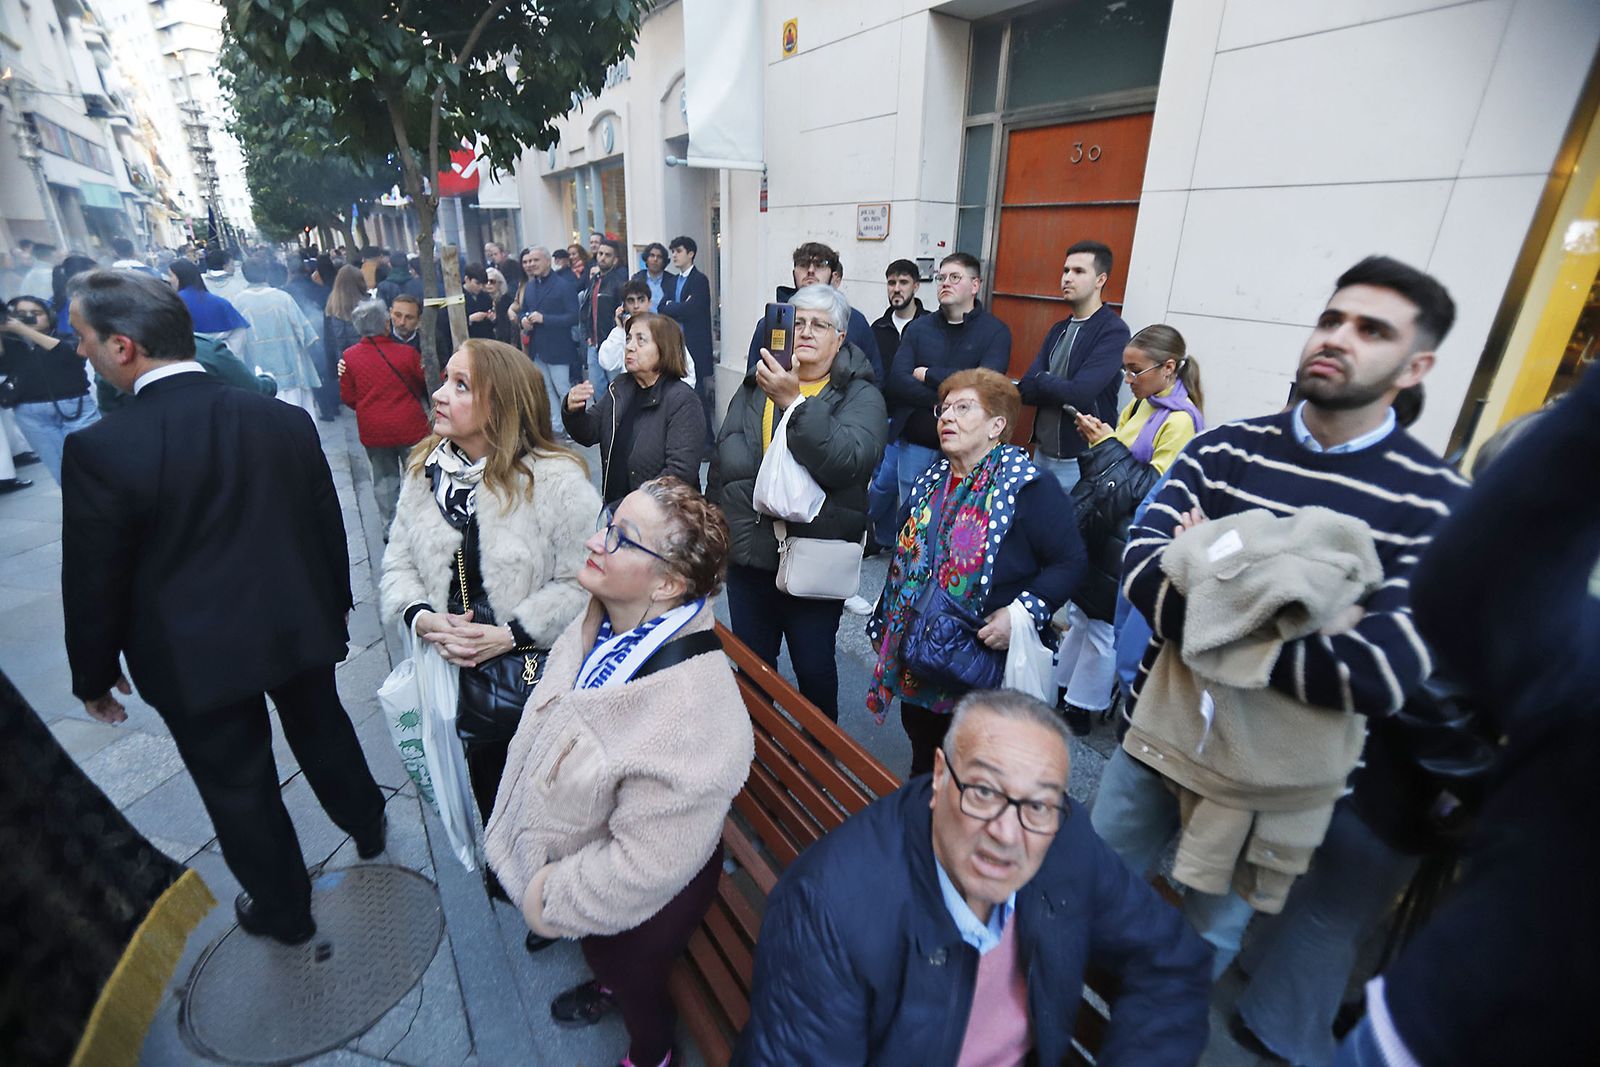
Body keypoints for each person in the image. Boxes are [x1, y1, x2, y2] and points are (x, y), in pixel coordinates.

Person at [1096, 255, 1469, 982]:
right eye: (1332, 319)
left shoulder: (1435, 503)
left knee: (1195, 960)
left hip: (1273, 788)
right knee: (1075, 905)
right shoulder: (1223, 448)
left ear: (1415, 364)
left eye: (1371, 329)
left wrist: (1206, 564)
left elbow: (1380, 670)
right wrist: (1314, 608)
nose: (1338, 337)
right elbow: (1142, 569)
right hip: (1157, 740)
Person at [61, 269, 387, 946]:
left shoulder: (103, 448)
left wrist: (92, 672)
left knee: (238, 785)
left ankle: (284, 908)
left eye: (83, 337)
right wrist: (335, 610)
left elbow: (95, 577)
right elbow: (327, 528)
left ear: (124, 347)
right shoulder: (279, 418)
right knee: (322, 724)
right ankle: (367, 821)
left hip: (192, 654)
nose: (78, 351)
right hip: (294, 621)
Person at [1332, 365, 1598, 1067]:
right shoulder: (1500, 594)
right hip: (1404, 803)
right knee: (1338, 919)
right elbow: (1431, 693)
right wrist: (1486, 787)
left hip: (1426, 816)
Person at [736, 689, 1211, 1066]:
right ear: (940, 776)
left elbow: (1169, 960)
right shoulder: (827, 911)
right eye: (983, 791)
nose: (1007, 834)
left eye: (1039, 804)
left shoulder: (1066, 841)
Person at [485, 477, 754, 1067]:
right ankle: (610, 982)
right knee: (606, 956)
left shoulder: (692, 714)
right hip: (615, 853)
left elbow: (641, 867)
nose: (595, 541)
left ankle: (653, 1052)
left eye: (621, 538)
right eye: (608, 524)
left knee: (631, 973)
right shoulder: (605, 621)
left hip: (652, 893)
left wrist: (546, 897)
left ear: (668, 583)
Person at [379, 338, 600, 837]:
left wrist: (509, 634)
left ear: (500, 404)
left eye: (460, 386)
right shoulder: (426, 470)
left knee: (545, 814)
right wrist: (421, 616)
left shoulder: (555, 480)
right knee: (492, 804)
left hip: (533, 688)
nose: (438, 395)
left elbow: (587, 585)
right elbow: (398, 561)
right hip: (456, 683)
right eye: (444, 380)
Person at [867, 368, 1084, 775]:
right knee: (924, 755)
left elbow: (1069, 562)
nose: (946, 417)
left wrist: (1021, 612)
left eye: (963, 408)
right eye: (944, 408)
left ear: (996, 425)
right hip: (919, 657)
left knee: (971, 769)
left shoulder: (1027, 486)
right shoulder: (933, 477)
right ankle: (924, 822)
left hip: (978, 664)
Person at [708, 284, 887, 723]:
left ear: (840, 337)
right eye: (798, 321)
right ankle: (753, 756)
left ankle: (817, 758)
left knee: (813, 669)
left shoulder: (860, 396)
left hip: (813, 558)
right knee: (752, 667)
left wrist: (794, 402)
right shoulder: (756, 385)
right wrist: (713, 533)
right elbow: (725, 461)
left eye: (820, 324)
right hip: (750, 556)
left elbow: (846, 462)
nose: (805, 331)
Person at [1055, 324, 1204, 735]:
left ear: (1168, 368)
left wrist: (1107, 446)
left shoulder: (1180, 422)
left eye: (1135, 371)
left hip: (1129, 538)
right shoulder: (1141, 405)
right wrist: (1100, 441)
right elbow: (1117, 473)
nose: (1128, 380)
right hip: (1106, 528)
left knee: (1102, 625)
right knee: (1083, 615)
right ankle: (1062, 688)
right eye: (1126, 370)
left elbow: (1150, 493)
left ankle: (1082, 707)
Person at [884, 252, 1012, 512]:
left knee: (958, 516)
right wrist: (952, 400)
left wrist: (929, 374)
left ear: (975, 285)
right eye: (941, 277)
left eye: (955, 277)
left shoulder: (995, 332)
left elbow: (984, 386)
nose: (945, 283)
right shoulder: (919, 328)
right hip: (917, 443)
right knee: (911, 517)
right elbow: (897, 380)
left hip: (969, 448)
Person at [1017, 241, 1132, 495]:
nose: (1067, 278)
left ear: (1100, 279)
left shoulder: (1112, 331)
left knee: (1070, 530)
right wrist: (1050, 384)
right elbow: (1025, 389)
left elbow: (1080, 393)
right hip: (1042, 453)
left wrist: (1043, 379)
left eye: (1079, 271)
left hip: (1081, 458)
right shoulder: (1059, 329)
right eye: (1066, 270)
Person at [566, 311, 707, 508]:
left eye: (641, 341)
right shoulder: (621, 387)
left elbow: (679, 474)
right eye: (629, 338)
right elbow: (589, 432)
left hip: (661, 520)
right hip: (616, 511)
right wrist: (573, 409)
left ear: (664, 349)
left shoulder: (682, 400)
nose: (630, 347)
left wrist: (633, 506)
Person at [339, 300, 429, 534]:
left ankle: (391, 527)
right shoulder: (407, 353)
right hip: (410, 426)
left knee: (384, 480)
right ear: (386, 325)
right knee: (417, 475)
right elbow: (423, 384)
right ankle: (420, 521)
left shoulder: (349, 358)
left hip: (374, 429)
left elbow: (349, 397)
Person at [742, 242, 884, 384]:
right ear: (794, 273)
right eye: (803, 264)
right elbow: (752, 381)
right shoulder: (771, 322)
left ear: (834, 276)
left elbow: (873, 378)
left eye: (820, 264)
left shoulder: (855, 322)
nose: (810, 270)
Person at [865, 258, 931, 554]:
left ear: (916, 286)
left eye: (903, 282)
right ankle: (883, 539)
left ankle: (866, 530)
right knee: (880, 482)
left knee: (889, 482)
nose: (896, 289)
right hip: (881, 414)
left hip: (913, 419)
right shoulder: (877, 328)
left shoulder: (930, 326)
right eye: (891, 282)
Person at [0, 295, 100, 483]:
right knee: (60, 470)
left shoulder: (66, 337)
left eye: (36, 313)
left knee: (95, 462)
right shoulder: (12, 345)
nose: (29, 317)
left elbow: (69, 352)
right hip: (30, 414)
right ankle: (82, 509)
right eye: (21, 314)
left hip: (75, 409)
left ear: (49, 315)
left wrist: (22, 329)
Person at [232, 255, 322, 415]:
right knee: (298, 420)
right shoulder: (283, 298)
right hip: (292, 370)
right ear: (266, 274)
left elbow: (235, 345)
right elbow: (307, 335)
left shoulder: (237, 302)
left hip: (257, 377)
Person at [516, 246, 581, 437]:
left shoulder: (563, 285)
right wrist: (523, 320)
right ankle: (556, 425)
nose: (531, 265)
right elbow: (523, 310)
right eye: (529, 261)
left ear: (547, 261)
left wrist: (545, 319)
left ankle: (574, 426)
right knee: (545, 389)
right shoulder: (530, 286)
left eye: (536, 260)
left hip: (558, 348)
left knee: (563, 388)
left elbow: (573, 316)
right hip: (537, 347)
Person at [657, 236, 715, 444]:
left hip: (694, 346)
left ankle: (707, 443)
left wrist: (676, 307)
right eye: (672, 251)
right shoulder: (672, 281)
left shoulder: (699, 280)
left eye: (678, 251)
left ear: (690, 253)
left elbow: (693, 310)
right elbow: (662, 307)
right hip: (674, 345)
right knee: (674, 393)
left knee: (697, 395)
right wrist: (678, 306)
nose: (674, 255)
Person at [167, 257, 248, 356]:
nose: (169, 280)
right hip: (221, 359)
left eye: (171, 276)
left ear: (181, 277)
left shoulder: (172, 304)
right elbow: (239, 332)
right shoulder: (221, 303)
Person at [321, 265, 368, 420]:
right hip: (365, 358)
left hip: (343, 360)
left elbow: (328, 340)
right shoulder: (367, 304)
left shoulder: (331, 304)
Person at [582, 238, 628, 389]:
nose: (602, 257)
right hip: (593, 343)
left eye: (607, 255)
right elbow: (587, 310)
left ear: (615, 260)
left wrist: (616, 336)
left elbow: (621, 311)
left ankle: (616, 413)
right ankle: (603, 414)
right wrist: (588, 335)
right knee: (596, 388)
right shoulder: (594, 280)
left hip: (611, 341)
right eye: (600, 253)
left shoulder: (619, 282)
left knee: (616, 386)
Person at [462, 262, 497, 340]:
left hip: (486, 340)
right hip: (468, 341)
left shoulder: (486, 297)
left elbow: (494, 324)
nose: (480, 287)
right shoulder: (458, 297)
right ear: (467, 279)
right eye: (477, 283)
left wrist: (492, 318)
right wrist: (470, 319)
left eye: (483, 284)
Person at [631, 241, 670, 310]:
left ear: (664, 261)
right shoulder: (637, 279)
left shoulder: (672, 280)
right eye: (652, 255)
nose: (655, 259)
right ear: (646, 259)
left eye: (659, 257)